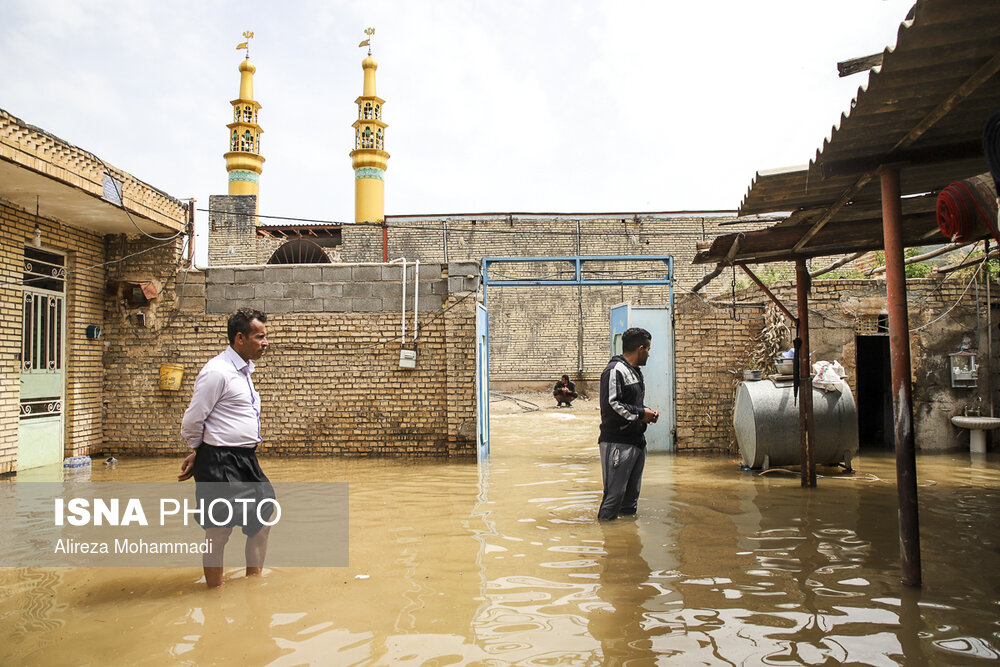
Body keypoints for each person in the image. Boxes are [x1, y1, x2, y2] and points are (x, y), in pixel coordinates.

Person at [178, 307, 274, 588]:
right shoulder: (217, 372)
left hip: (245, 459)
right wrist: (201, 452)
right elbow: (192, 420)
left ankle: (253, 584)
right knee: (219, 531)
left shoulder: (243, 371)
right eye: (260, 336)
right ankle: (214, 594)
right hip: (219, 461)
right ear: (240, 338)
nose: (265, 342)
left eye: (265, 336)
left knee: (264, 517)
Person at [597, 327, 658, 521]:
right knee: (613, 497)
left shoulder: (635, 372)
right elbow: (611, 405)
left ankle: (627, 542)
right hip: (617, 443)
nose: (649, 354)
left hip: (637, 441)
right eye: (648, 349)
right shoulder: (614, 371)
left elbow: (631, 404)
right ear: (640, 348)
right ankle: (608, 542)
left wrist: (646, 412)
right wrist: (641, 414)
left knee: (631, 499)